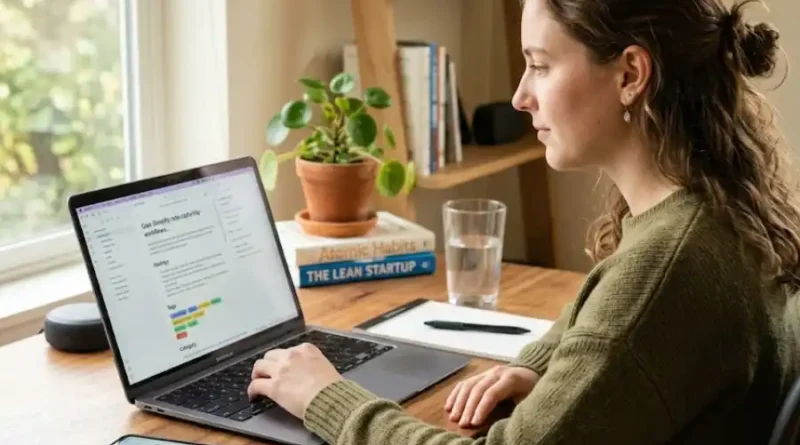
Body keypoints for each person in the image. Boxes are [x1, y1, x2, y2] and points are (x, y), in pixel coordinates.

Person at [246, 0, 800, 443]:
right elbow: (607, 322)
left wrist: (327, 399)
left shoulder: (667, 265)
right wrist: (544, 366)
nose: (519, 96)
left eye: (540, 65)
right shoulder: (712, 210)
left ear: (631, 73)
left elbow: (630, 314)